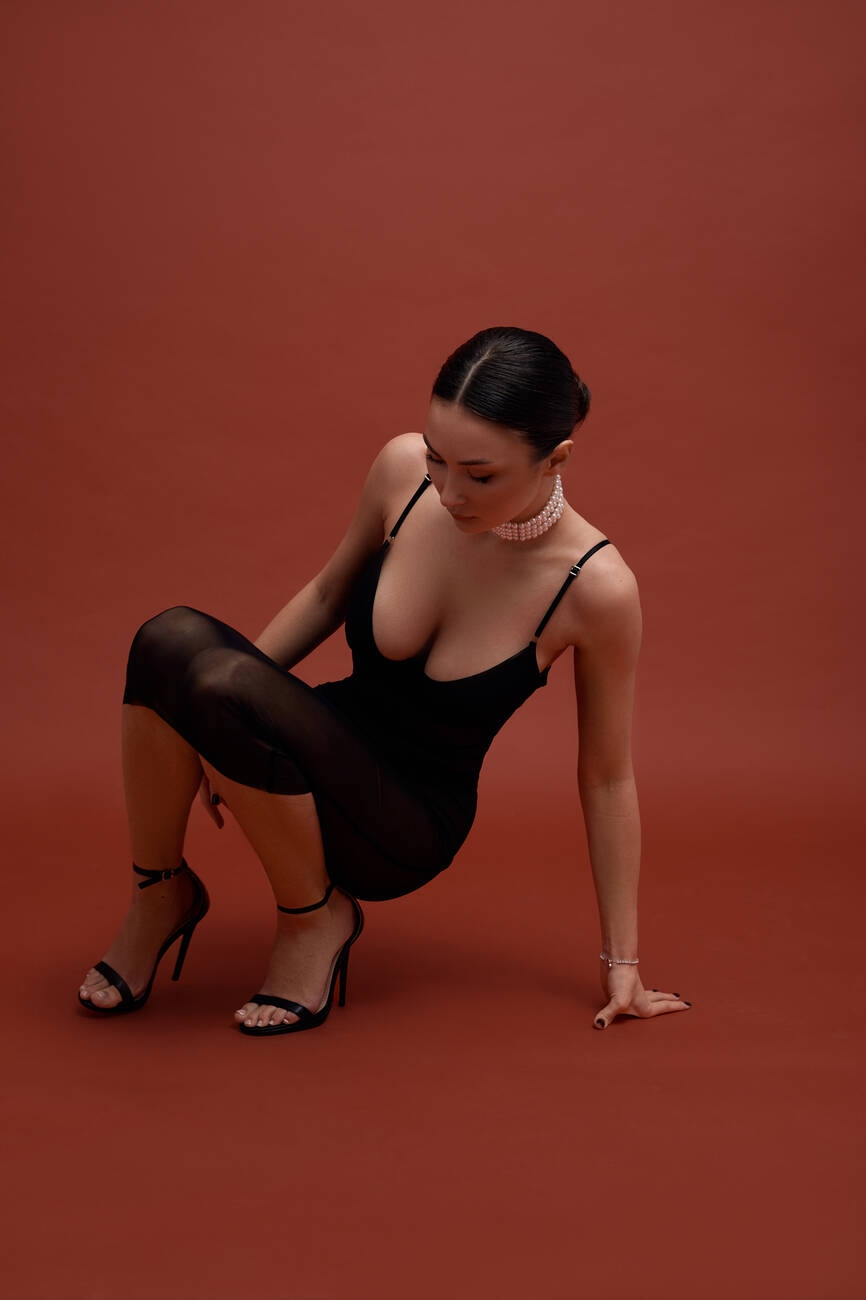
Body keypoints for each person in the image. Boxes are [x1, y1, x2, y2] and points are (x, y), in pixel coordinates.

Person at [77, 325, 690, 1036]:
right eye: (437, 457)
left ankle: (315, 919)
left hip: (403, 822)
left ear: (555, 459)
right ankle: (159, 892)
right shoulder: (402, 472)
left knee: (217, 685)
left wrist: (623, 963)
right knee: (166, 640)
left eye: (480, 475)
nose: (449, 492)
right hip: (318, 742)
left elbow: (607, 778)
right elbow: (325, 596)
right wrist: (220, 723)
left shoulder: (596, 587)